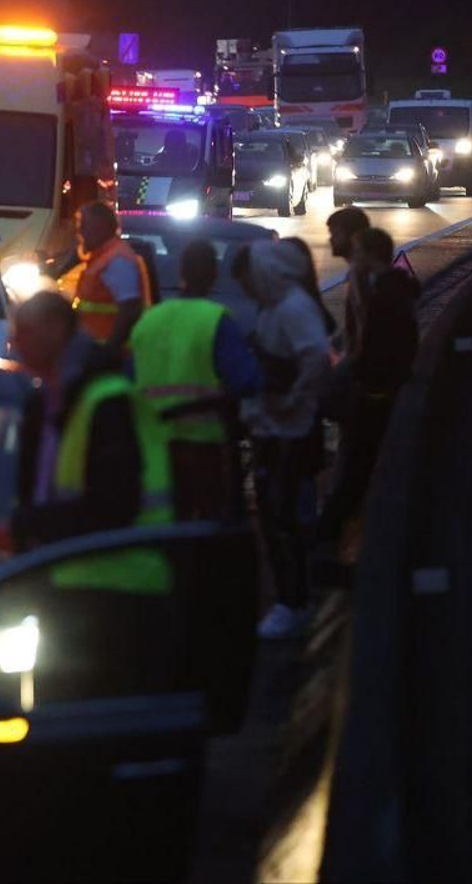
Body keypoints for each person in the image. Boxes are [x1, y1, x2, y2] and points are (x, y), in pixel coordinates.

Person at [7, 291, 172, 553]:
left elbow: (113, 506)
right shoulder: (43, 403)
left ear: (57, 330)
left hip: (120, 569)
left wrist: (30, 526)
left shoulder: (108, 402)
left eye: (24, 331)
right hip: (58, 567)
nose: (14, 342)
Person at [232, 239, 333, 639]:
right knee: (276, 516)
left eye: (247, 280)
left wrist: (292, 400)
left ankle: (294, 601)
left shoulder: (293, 308)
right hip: (271, 427)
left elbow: (316, 357)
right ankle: (291, 598)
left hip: (286, 431)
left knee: (281, 516)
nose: (246, 289)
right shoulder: (274, 307)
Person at [129, 239, 262, 521]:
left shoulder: (147, 321)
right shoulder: (216, 320)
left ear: (181, 272)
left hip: (153, 444)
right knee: (209, 524)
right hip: (204, 446)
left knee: (165, 519)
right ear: (214, 274)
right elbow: (246, 381)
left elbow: (131, 377)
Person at [316, 227, 419, 549]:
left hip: (376, 392)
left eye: (358, 251)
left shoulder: (384, 295)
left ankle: (335, 536)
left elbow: (378, 344)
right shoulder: (388, 289)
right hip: (379, 388)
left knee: (358, 464)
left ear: (371, 255)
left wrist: (356, 372)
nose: (354, 257)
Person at [70, 201, 152, 350]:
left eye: (84, 226)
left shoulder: (117, 261)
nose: (80, 233)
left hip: (111, 354)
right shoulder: (103, 257)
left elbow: (130, 309)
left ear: (100, 228)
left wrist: (110, 351)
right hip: (96, 351)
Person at [326, 206, 372, 357]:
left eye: (335, 234)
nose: (330, 239)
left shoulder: (362, 274)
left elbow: (364, 324)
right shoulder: (361, 269)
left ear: (353, 236)